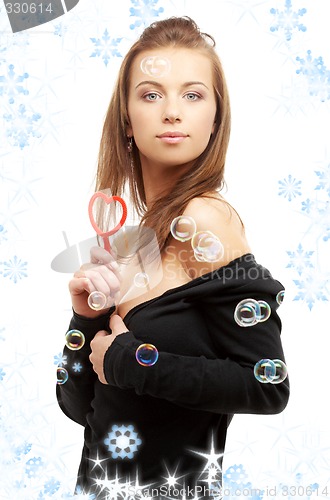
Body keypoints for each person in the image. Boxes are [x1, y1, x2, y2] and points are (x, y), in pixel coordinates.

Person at [56, 16, 289, 499]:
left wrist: (130, 360)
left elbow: (268, 385)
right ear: (126, 117)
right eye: (150, 93)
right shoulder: (131, 244)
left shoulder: (207, 220)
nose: (172, 112)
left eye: (192, 94)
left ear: (215, 119)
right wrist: (84, 320)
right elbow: (80, 408)